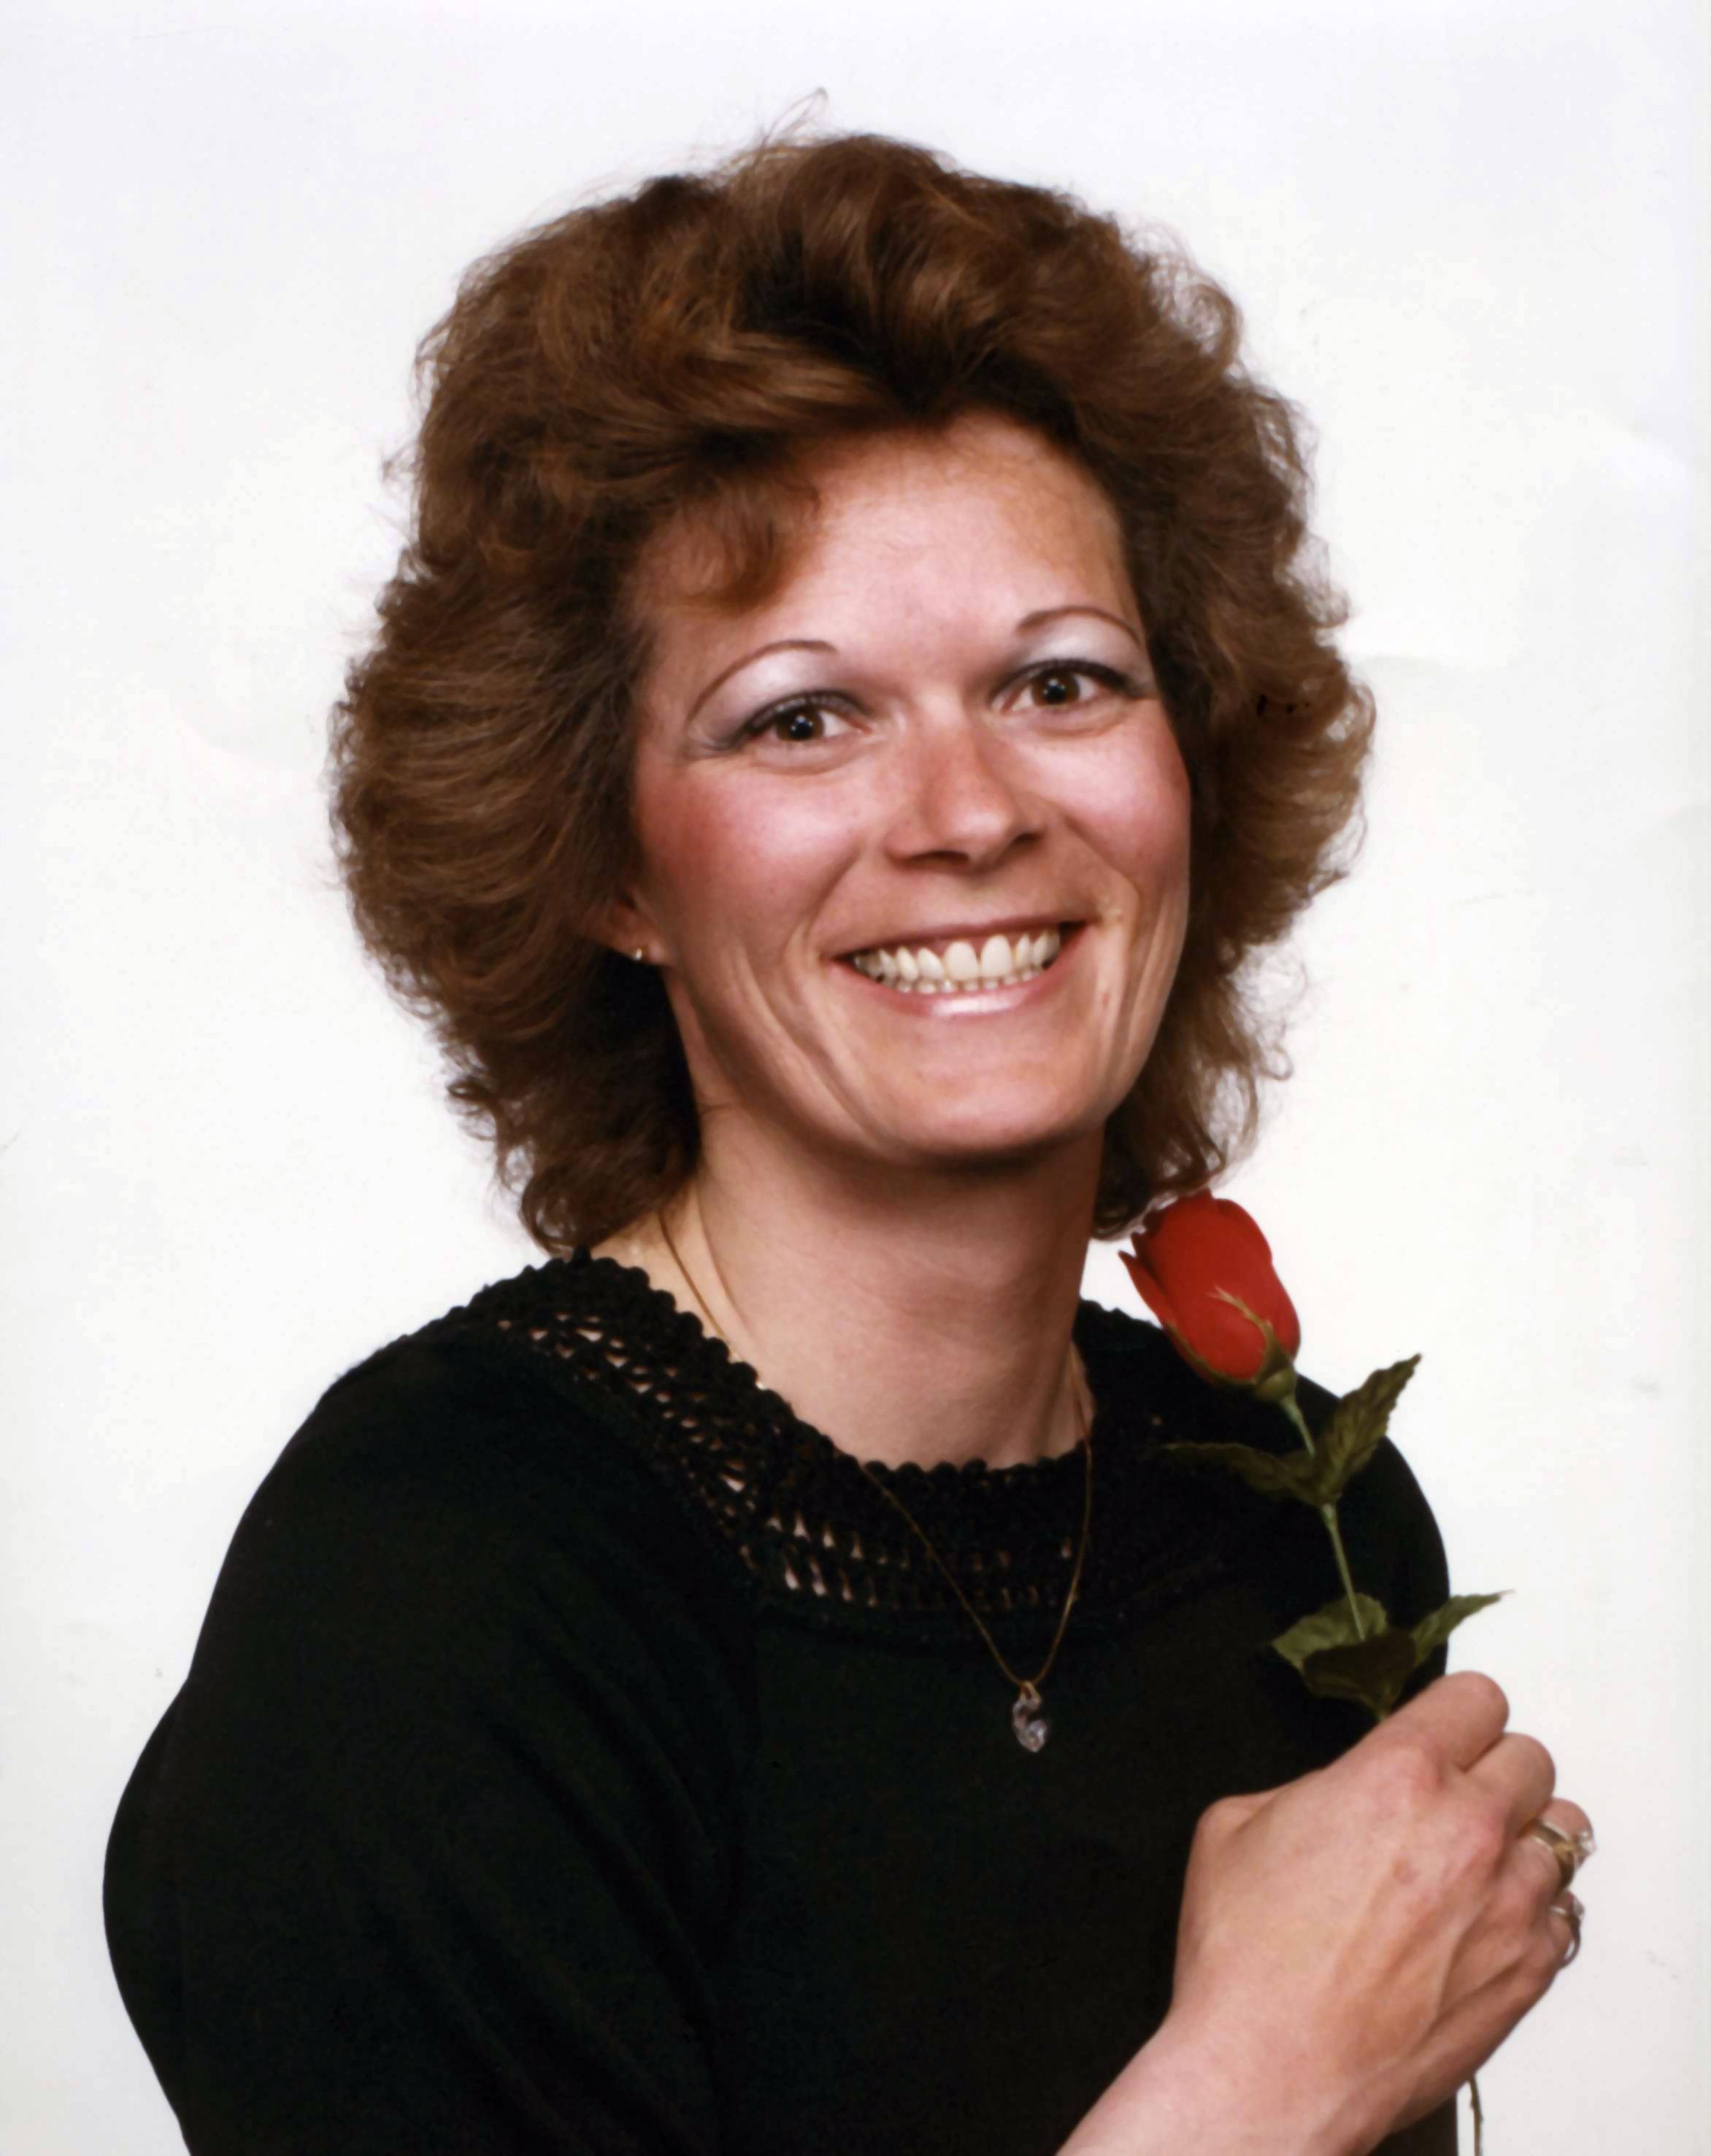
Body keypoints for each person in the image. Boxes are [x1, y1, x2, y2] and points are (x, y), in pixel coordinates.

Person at [104, 131, 1592, 2156]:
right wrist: (1263, 2084)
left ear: (1191, 763)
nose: (971, 812)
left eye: (1061, 681)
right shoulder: (432, 1597)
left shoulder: (1307, 1528)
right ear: (611, 864)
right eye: (802, 717)